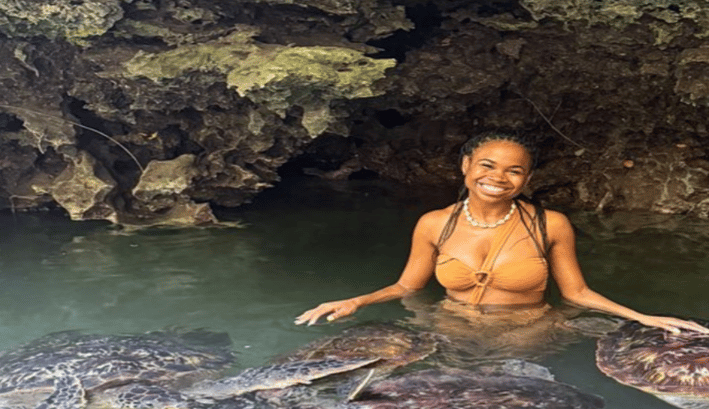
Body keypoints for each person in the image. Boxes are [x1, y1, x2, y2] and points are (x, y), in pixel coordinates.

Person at [295, 131, 709, 336]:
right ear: (466, 166)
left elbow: (576, 294)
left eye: (514, 170)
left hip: (525, 332)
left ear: (527, 178)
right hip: (450, 328)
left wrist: (643, 317)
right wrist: (356, 300)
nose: (499, 177)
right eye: (487, 165)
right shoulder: (434, 223)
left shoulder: (551, 224)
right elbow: (407, 285)